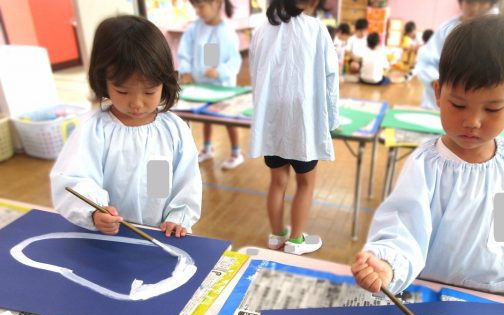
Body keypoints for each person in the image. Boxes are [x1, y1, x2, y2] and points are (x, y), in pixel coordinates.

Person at [352, 15, 504, 314]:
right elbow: (404, 229)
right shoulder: (427, 166)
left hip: (493, 300)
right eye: (458, 105)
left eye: (492, 109)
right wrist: (388, 264)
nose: (472, 122)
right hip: (428, 299)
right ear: (438, 93)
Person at [51, 15, 201, 238]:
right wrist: (94, 212)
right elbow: (74, 179)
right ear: (103, 82)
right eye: (122, 91)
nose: (137, 103)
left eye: (149, 91)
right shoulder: (94, 129)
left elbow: (187, 180)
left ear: (165, 82)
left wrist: (178, 217)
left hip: (163, 233)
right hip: (110, 236)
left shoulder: (174, 130)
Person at [249, 0, 339, 255]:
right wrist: (332, 120)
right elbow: (331, 77)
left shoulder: (261, 30)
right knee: (305, 183)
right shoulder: (316, 28)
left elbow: (255, 74)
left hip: (272, 118)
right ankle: (296, 240)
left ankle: (277, 236)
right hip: (304, 120)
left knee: (277, 182)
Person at [178, 0, 244, 169]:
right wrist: (186, 71)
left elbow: (234, 61)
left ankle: (236, 152)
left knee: (228, 118)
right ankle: (207, 148)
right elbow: (184, 52)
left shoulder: (227, 32)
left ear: (216, 3)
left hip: (223, 86)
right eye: (195, 7)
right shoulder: (194, 29)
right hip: (202, 84)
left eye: (201, 6)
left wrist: (220, 71)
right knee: (205, 116)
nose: (198, 11)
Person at [414, 0, 498, 109]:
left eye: (482, 2)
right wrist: (441, 86)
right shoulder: (446, 29)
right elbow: (425, 63)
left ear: (491, 4)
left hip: (476, 107)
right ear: (461, 3)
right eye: (470, 2)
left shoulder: (497, 32)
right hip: (435, 105)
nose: (475, 8)